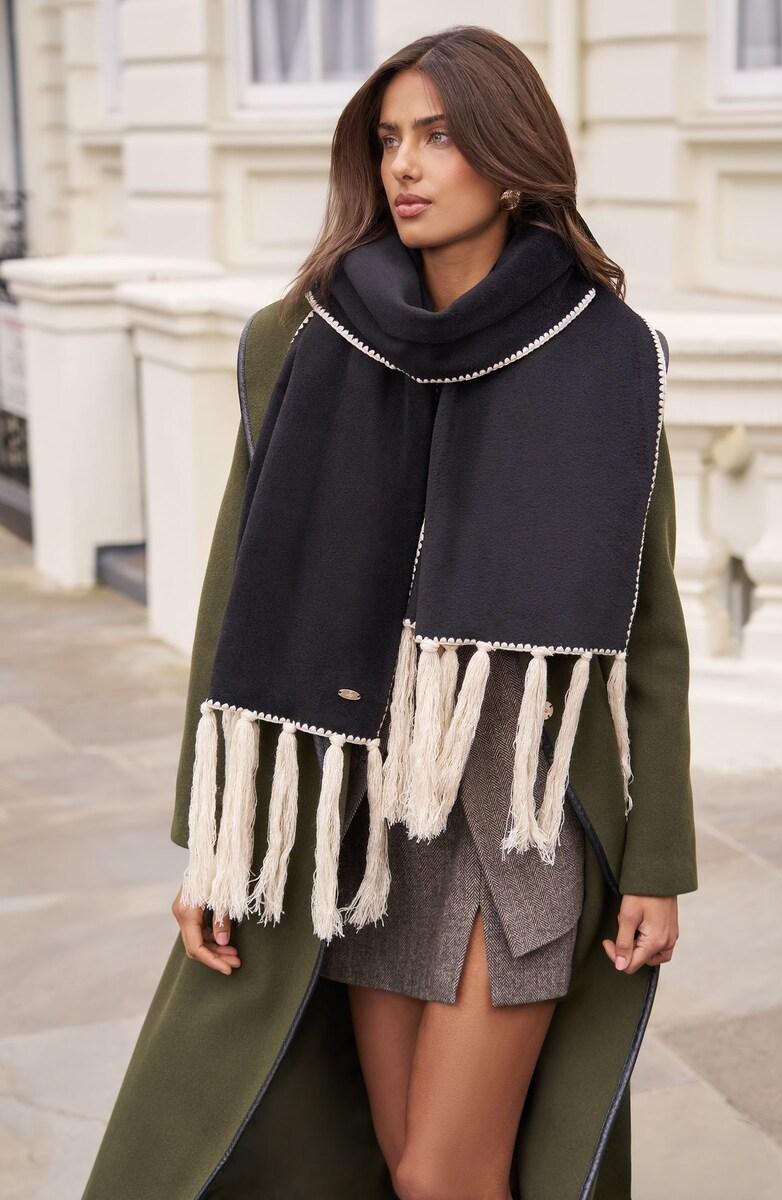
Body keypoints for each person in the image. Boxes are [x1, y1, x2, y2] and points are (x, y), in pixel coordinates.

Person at [82, 25, 696, 1200]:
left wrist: (657, 857)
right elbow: (238, 605)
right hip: (362, 833)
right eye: (389, 139)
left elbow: (650, 629)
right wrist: (215, 845)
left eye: (440, 137)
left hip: (519, 825)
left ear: (510, 162)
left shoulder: (607, 358)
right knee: (395, 1168)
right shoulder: (302, 342)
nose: (405, 165)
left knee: (444, 1176)